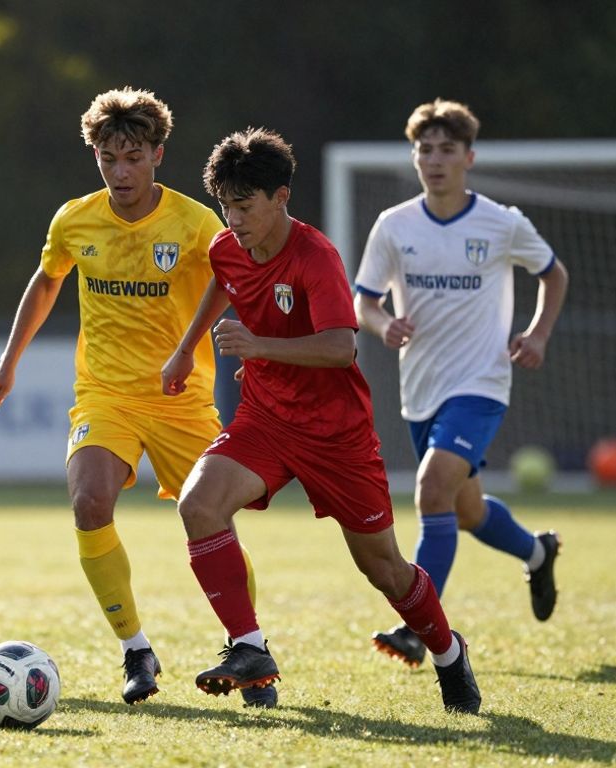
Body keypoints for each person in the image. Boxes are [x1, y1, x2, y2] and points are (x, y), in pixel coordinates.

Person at [162, 126, 482, 713]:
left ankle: (447, 653)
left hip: (336, 434)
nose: (233, 218)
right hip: (265, 418)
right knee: (198, 504)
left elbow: (340, 347)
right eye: (225, 205)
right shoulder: (225, 246)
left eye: (245, 205)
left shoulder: (316, 257)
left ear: (281, 198)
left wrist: (258, 346)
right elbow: (223, 281)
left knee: (384, 570)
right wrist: (187, 348)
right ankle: (250, 649)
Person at [0, 87, 267, 707]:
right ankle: (135, 649)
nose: (121, 171)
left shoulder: (194, 223)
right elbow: (46, 278)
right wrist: (7, 364)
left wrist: (191, 346)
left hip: (181, 400)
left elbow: (232, 280)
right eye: (109, 159)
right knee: (88, 502)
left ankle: (251, 647)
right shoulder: (75, 219)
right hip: (104, 395)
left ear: (158, 155)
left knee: (211, 521)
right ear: (96, 157)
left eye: (133, 157)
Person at [354, 99, 569, 667]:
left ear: (468, 157)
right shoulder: (394, 225)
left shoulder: (501, 222)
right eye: (426, 149)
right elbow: (365, 301)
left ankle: (418, 626)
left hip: (481, 383)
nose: (435, 159)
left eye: (447, 149)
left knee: (430, 489)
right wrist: (383, 323)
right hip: (419, 389)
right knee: (465, 510)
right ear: (415, 157)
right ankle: (537, 552)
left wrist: (537, 334)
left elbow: (553, 274)